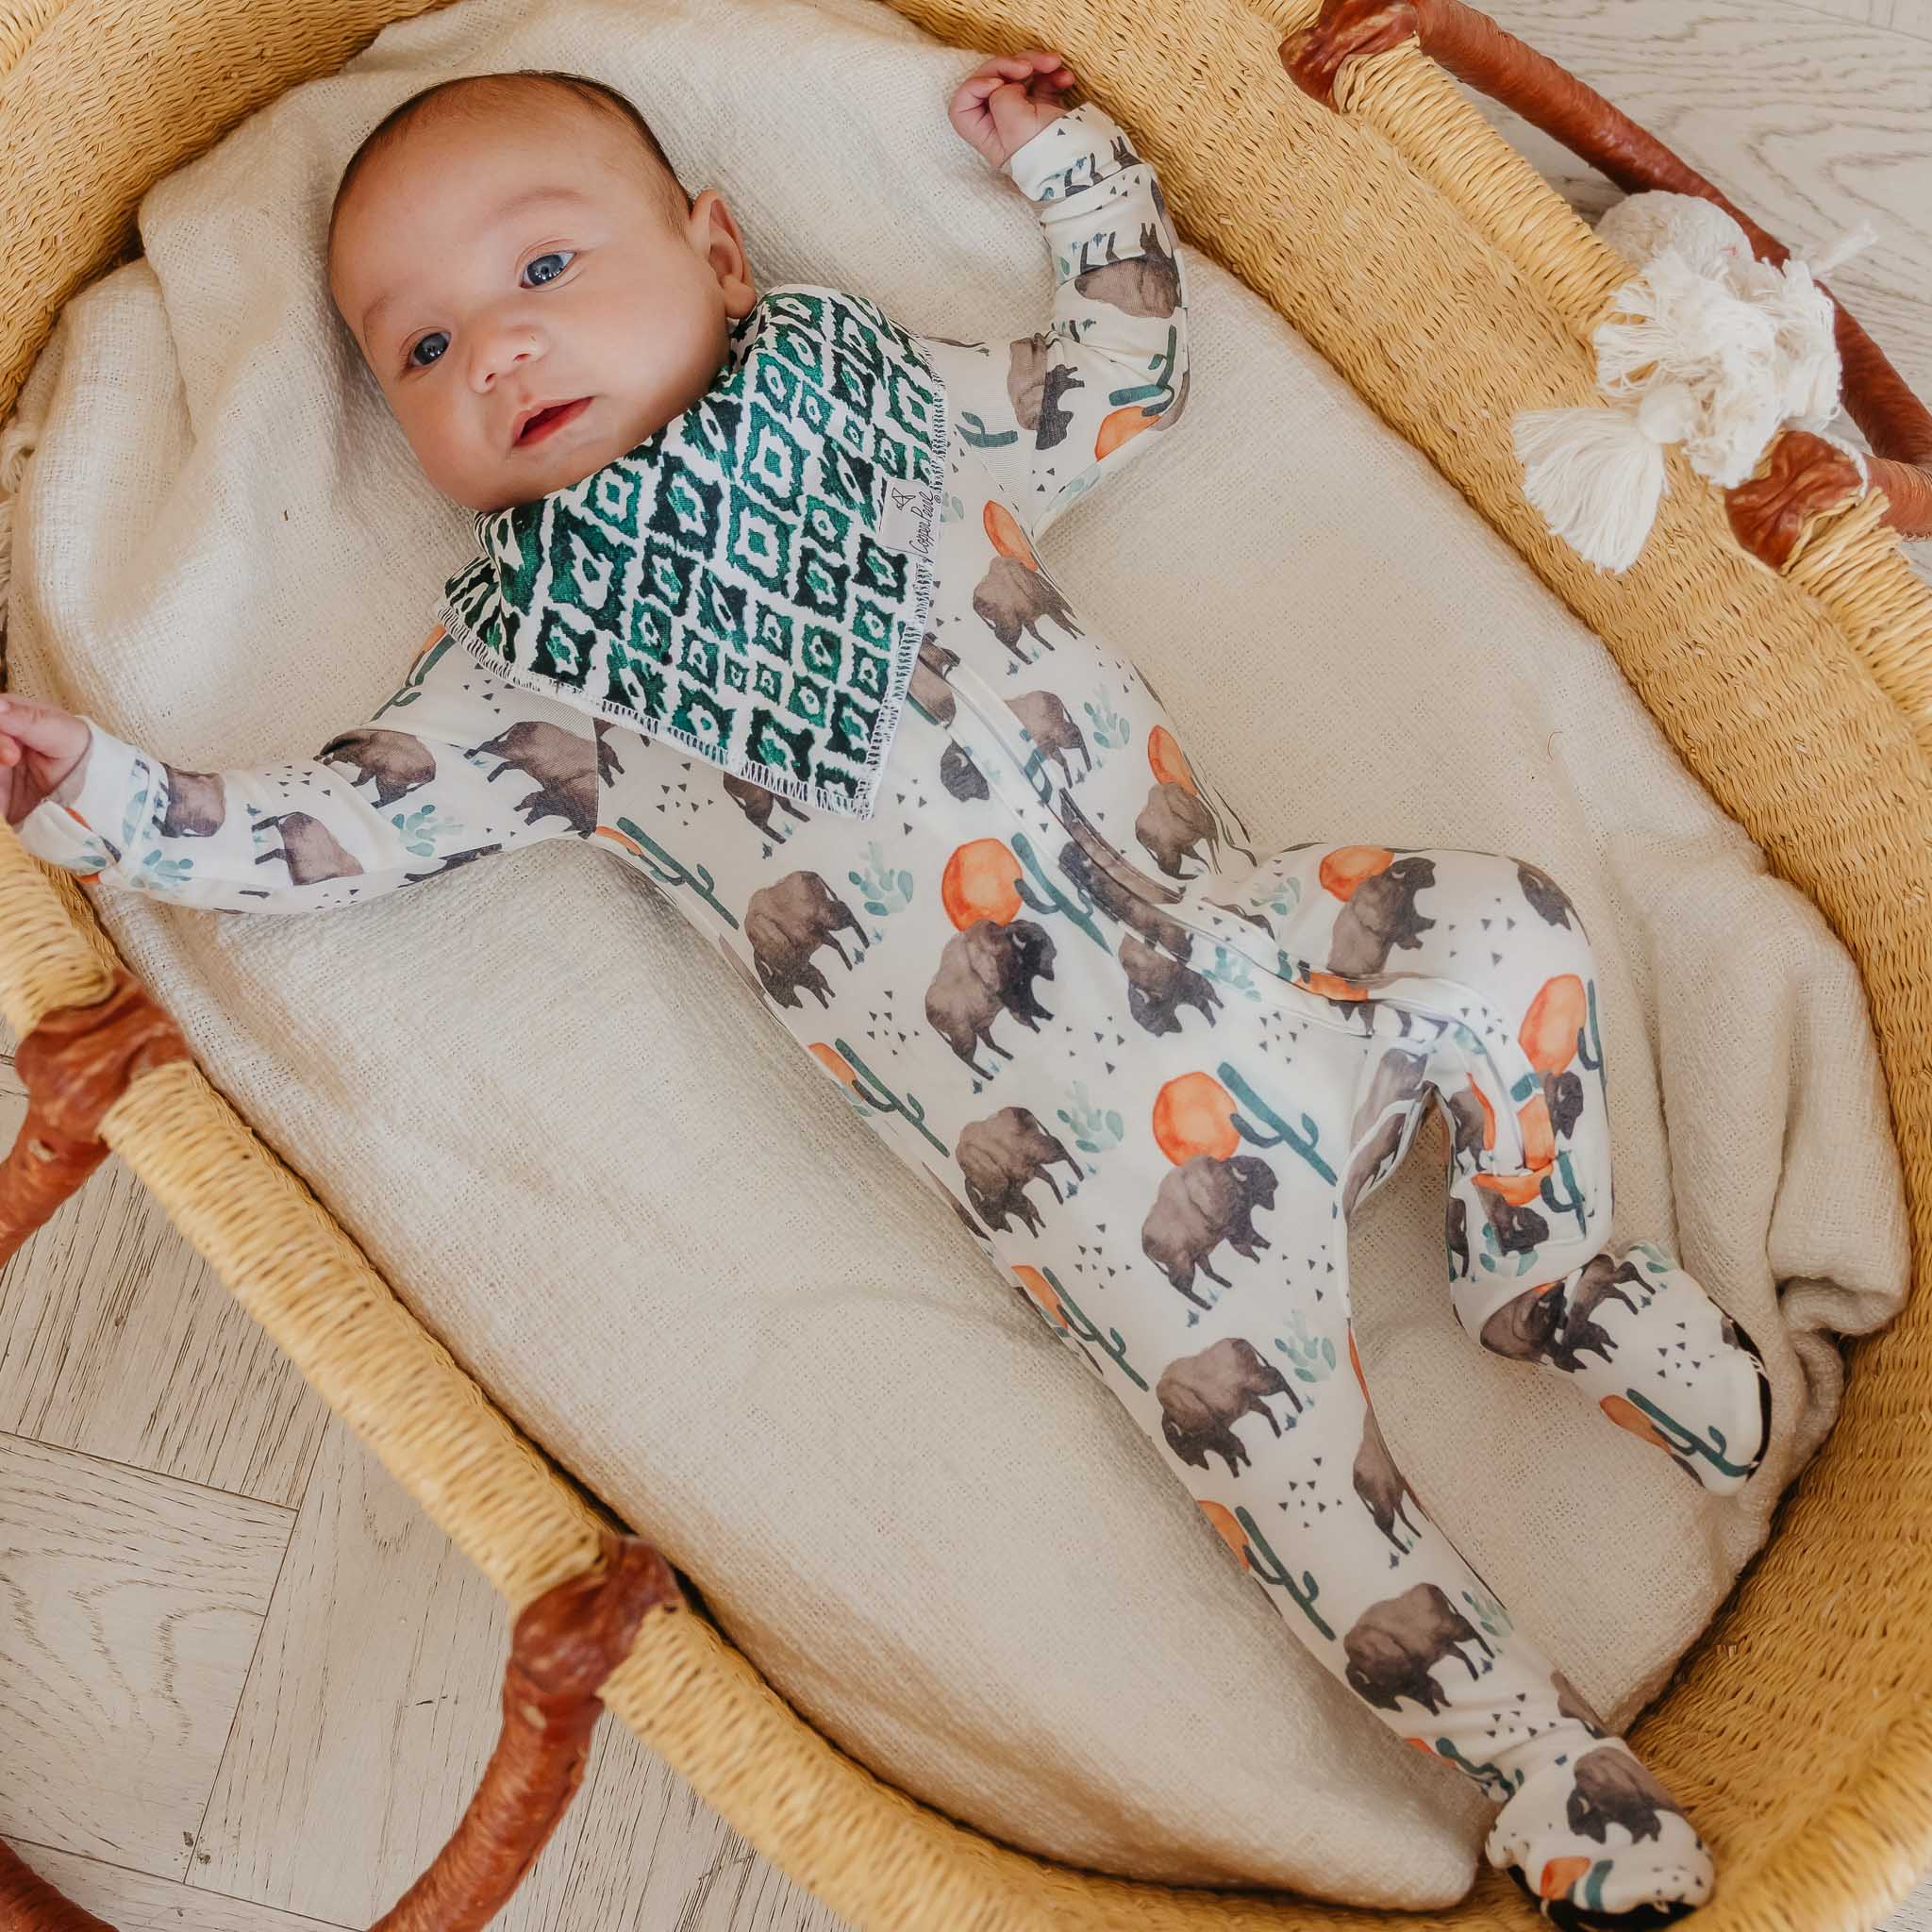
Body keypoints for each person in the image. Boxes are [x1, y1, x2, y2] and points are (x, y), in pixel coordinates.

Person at [0, 51, 1771, 1924]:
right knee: (1299, 1486)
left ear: (720, 252)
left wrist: (1077, 174)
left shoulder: (893, 413)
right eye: (421, 351)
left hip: (1260, 938)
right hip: (1099, 1173)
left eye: (542, 269)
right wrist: (101, 796)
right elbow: (326, 830)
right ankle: (1540, 1762)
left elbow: (1121, 375)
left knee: (1504, 930)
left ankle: (1542, 1267)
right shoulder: (533, 678)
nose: (495, 350)